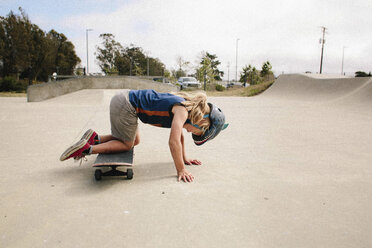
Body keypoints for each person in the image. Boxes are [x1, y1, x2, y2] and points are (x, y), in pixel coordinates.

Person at [60, 89, 228, 182]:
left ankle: (95, 138)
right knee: (127, 144)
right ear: (201, 122)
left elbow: (180, 137)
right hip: (126, 105)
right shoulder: (182, 111)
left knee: (134, 140)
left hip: (124, 101)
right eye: (196, 133)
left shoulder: (185, 108)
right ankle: (86, 149)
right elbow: (173, 142)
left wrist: (185, 158)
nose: (190, 132)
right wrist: (181, 169)